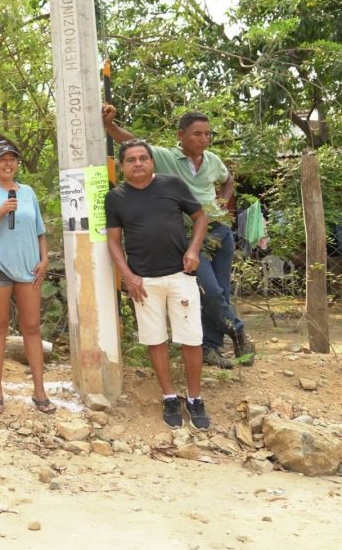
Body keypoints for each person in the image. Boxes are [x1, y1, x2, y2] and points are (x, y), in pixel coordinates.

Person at [103, 106, 253, 368]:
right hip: (193, 236)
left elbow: (228, 180)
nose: (204, 139)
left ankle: (210, 347)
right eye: (197, 134)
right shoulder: (166, 158)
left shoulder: (212, 160)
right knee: (210, 292)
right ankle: (237, 330)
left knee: (221, 291)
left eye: (207, 134)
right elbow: (132, 143)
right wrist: (110, 125)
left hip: (220, 230)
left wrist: (222, 201)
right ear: (181, 135)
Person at [105, 139, 210, 430]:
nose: (138, 164)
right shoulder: (115, 198)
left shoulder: (172, 185)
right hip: (143, 281)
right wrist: (128, 275)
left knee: (191, 338)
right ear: (122, 166)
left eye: (143, 158)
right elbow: (113, 241)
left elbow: (201, 217)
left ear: (152, 161)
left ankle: (195, 398)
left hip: (180, 275)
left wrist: (193, 250)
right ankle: (169, 397)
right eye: (131, 160)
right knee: (155, 339)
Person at [0, 137, 54, 415]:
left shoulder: (28, 192)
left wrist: (44, 258)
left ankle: (39, 391)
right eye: (2, 159)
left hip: (29, 267)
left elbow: (39, 230)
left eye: (12, 159)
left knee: (32, 327)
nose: (8, 163)